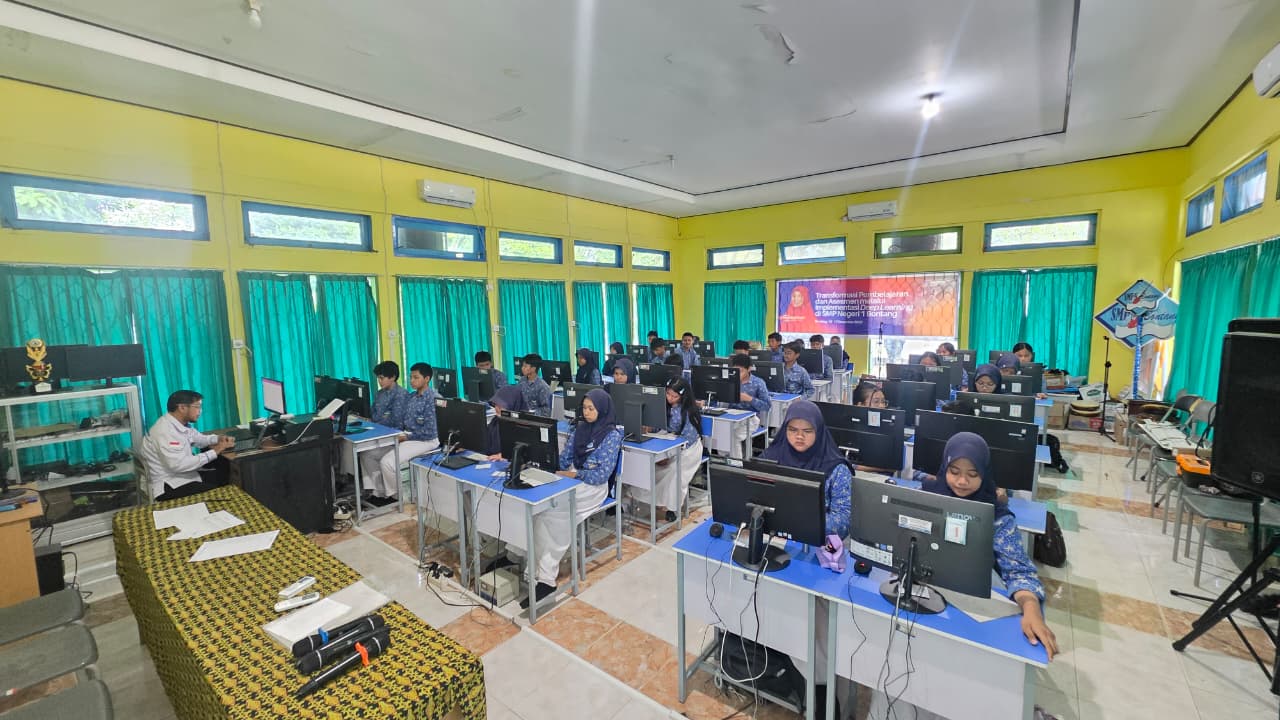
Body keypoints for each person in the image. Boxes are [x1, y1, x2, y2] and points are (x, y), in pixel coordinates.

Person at [911, 433, 1056, 655]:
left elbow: (1019, 571)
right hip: (925, 591)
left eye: (973, 474)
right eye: (954, 472)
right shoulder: (924, 498)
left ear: (985, 473)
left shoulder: (997, 517)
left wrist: (1032, 610)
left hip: (974, 604)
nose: (962, 481)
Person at [522, 389, 622, 609]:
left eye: (591, 409)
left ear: (602, 409)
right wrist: (548, 467)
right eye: (584, 408)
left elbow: (601, 475)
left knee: (555, 513)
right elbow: (565, 458)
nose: (586, 412)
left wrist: (572, 475)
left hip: (593, 487)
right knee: (540, 510)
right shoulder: (580, 429)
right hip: (572, 479)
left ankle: (546, 579)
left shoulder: (612, 435)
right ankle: (534, 571)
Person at [139, 390, 234, 500]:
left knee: (224, 475)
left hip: (181, 476)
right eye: (197, 407)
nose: (200, 411)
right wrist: (215, 451)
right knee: (220, 493)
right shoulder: (165, 431)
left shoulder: (178, 423)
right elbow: (178, 465)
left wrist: (218, 438)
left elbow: (198, 438)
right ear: (182, 408)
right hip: (168, 485)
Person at [635, 377, 703, 522]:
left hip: (688, 450)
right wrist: (650, 427)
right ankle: (645, 498)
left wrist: (668, 455)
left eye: (674, 396)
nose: (670, 398)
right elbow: (660, 425)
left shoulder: (689, 412)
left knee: (674, 472)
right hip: (667, 442)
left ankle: (673, 507)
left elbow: (688, 439)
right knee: (646, 466)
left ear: (683, 396)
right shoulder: (661, 405)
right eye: (668, 394)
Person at [372, 363, 440, 503]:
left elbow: (430, 431)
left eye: (416, 377)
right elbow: (402, 421)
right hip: (407, 436)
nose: (411, 381)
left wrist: (406, 437)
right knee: (370, 455)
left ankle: (396, 497)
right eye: (410, 377)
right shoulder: (411, 396)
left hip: (425, 440)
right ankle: (378, 493)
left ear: (427, 379)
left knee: (387, 462)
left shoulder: (433, 398)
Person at [485, 385, 527, 456]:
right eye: (496, 404)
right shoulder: (495, 421)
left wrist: (504, 455)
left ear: (514, 406)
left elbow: (525, 454)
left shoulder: (523, 427)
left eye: (501, 406)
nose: (497, 408)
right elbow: (485, 444)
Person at [370, 360, 409, 427]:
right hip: (377, 428)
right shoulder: (379, 393)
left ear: (393, 377)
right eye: (378, 378)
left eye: (381, 378)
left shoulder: (401, 394)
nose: (379, 381)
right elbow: (373, 414)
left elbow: (397, 422)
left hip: (392, 431)